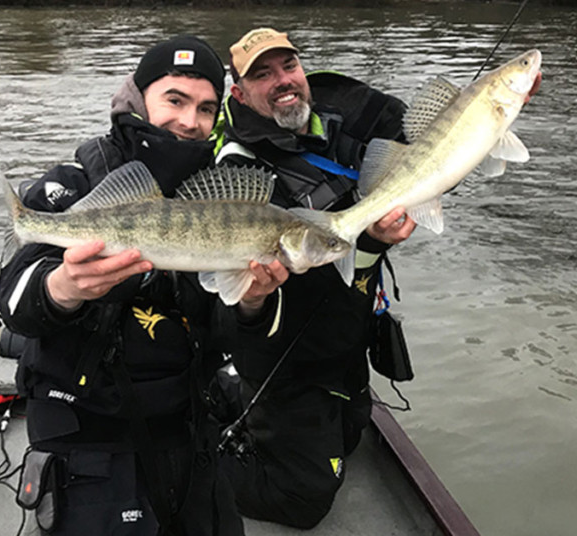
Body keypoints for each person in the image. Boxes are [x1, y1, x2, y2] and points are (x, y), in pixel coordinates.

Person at [0, 35, 255, 536]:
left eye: (206, 108)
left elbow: (225, 334)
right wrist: (64, 287)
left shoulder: (216, 201)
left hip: (190, 433)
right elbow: (14, 299)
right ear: (138, 101)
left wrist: (253, 303)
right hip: (91, 437)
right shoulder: (73, 186)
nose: (189, 121)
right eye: (175, 100)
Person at [212, 28, 416, 529]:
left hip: (344, 341)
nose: (283, 81)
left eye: (289, 66)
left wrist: (492, 112)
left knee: (351, 433)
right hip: (288, 355)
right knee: (303, 499)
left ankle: (220, 395)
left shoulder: (336, 127)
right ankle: (177, 465)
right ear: (239, 94)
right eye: (262, 74)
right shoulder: (241, 170)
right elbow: (297, 280)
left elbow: (427, 159)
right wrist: (369, 242)